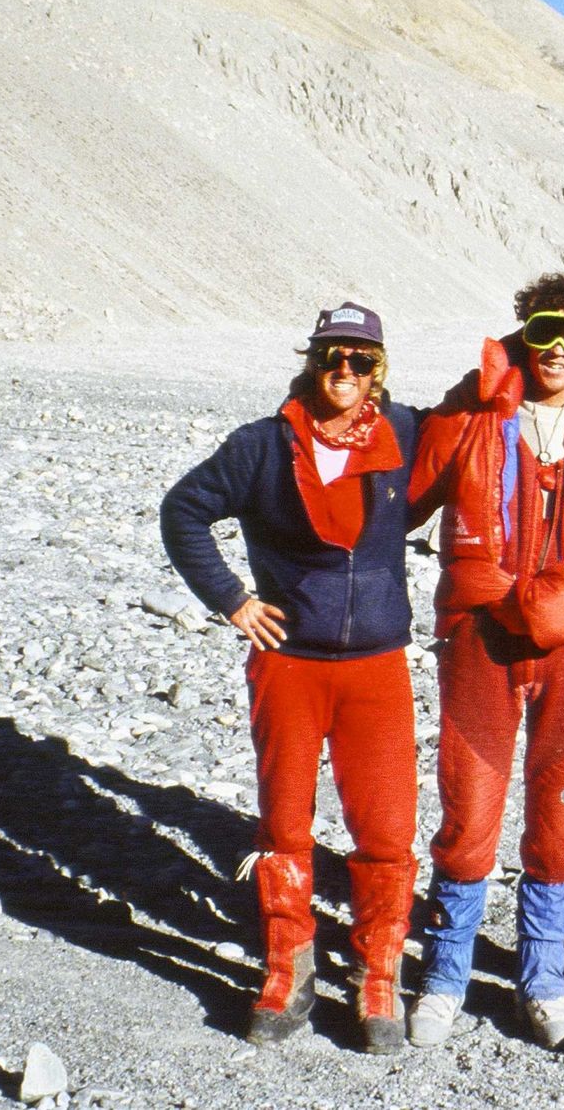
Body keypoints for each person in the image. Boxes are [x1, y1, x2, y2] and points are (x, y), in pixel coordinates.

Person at [406, 273, 564, 1049]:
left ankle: (542, 978)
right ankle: (445, 974)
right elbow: (398, 502)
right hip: (483, 637)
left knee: (559, 820)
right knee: (469, 811)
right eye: (544, 330)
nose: (556, 350)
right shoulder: (473, 414)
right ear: (523, 331)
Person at [159, 304, 419, 1054]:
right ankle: (288, 965)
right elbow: (184, 511)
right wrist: (233, 600)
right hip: (290, 664)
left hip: (376, 666)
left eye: (361, 359)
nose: (346, 371)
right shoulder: (263, 446)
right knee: (285, 821)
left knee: (386, 826)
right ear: (313, 361)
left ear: (378, 369)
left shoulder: (405, 433)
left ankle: (377, 973)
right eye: (333, 356)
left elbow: (489, 404)